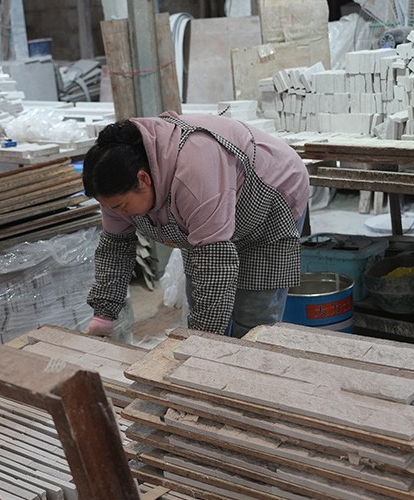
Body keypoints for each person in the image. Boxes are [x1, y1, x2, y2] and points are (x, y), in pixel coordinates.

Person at [82, 111, 309, 339]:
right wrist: (103, 314)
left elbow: (215, 263)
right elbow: (115, 248)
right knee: (200, 299)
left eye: (121, 206)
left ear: (143, 179)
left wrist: (200, 342)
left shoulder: (194, 171)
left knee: (251, 319)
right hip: (214, 204)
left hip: (269, 201)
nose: (117, 213)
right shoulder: (115, 186)